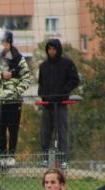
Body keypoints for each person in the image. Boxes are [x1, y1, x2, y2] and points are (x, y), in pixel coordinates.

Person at [0, 30, 31, 169]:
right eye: (2, 42)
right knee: (0, 129)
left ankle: (11, 157)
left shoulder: (18, 58)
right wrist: (1, 75)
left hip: (14, 102)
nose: (4, 46)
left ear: (10, 43)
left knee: (13, 130)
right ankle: (2, 157)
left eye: (6, 43)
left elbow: (27, 78)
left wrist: (17, 91)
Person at [38, 39, 80, 167]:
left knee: (62, 132)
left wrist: (63, 92)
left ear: (58, 50)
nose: (51, 51)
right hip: (47, 104)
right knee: (45, 132)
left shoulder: (67, 64)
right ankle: (45, 158)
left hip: (61, 103)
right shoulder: (43, 66)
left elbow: (75, 80)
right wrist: (43, 95)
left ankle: (64, 159)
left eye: (54, 49)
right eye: (49, 49)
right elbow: (41, 82)